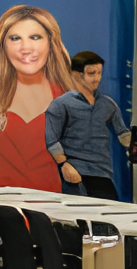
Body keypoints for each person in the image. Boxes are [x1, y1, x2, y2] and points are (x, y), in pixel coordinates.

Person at [0, 4, 77, 192]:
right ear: (2, 44)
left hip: (53, 214)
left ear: (51, 42)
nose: (26, 48)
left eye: (35, 37)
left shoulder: (69, 95)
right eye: (15, 38)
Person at [44, 49, 130, 197]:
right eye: (92, 73)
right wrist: (64, 165)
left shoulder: (108, 104)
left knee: (109, 215)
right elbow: (52, 140)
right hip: (76, 174)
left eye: (99, 73)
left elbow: (122, 133)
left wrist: (133, 144)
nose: (97, 78)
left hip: (103, 173)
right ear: (77, 75)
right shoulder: (60, 104)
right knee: (80, 217)